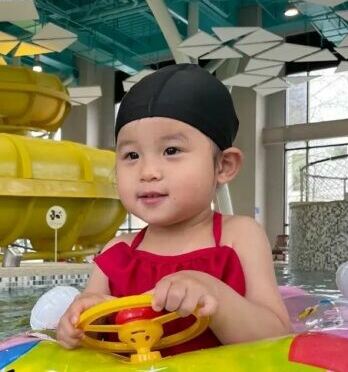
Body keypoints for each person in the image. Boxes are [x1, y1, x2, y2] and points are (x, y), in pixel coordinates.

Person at [56, 63, 291, 354]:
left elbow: (277, 335)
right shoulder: (117, 253)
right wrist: (80, 321)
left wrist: (213, 293)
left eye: (171, 151)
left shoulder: (240, 236)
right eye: (131, 155)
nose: (148, 172)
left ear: (223, 166)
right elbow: (93, 334)